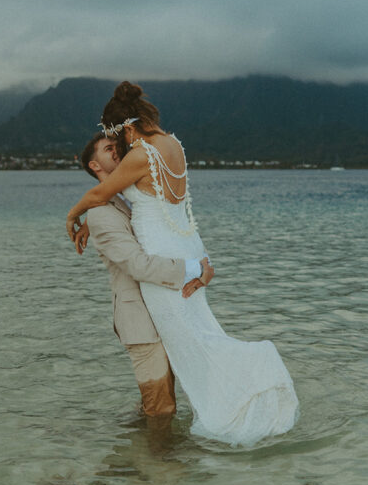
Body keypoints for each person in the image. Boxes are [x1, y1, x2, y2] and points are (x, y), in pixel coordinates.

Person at [67, 81, 299, 447]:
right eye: (112, 149)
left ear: (126, 128)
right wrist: (198, 264)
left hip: (166, 261)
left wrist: (72, 215)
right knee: (197, 341)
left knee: (194, 347)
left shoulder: (139, 156)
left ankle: (168, 450)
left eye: (117, 142)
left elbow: (99, 195)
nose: (120, 150)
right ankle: (165, 450)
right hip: (179, 250)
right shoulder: (172, 145)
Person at [78, 131, 214, 420]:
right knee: (161, 409)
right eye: (106, 149)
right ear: (94, 166)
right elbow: (138, 265)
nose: (115, 150)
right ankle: (154, 464)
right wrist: (193, 269)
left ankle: (140, 460)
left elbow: (167, 236)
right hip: (141, 324)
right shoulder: (100, 214)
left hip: (162, 314)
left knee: (160, 407)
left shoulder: (132, 199)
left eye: (116, 145)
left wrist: (204, 265)